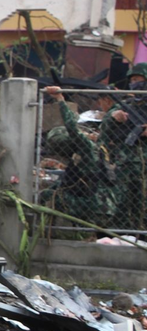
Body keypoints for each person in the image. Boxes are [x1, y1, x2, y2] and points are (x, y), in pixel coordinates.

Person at [41, 85, 115, 227]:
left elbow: (72, 127)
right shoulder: (96, 150)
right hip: (103, 207)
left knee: (52, 196)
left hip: (94, 208)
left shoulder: (88, 148)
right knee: (52, 192)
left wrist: (60, 100)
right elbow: (65, 182)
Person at [98, 64, 147, 230]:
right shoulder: (127, 105)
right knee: (122, 202)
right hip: (125, 163)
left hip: (144, 164)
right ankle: (121, 233)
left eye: (138, 79)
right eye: (132, 80)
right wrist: (113, 117)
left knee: (143, 203)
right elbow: (104, 129)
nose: (134, 83)